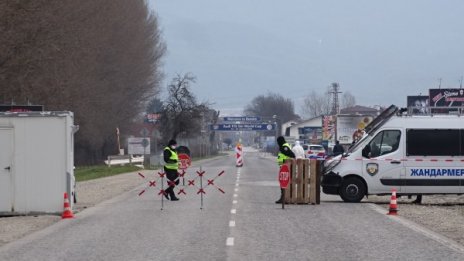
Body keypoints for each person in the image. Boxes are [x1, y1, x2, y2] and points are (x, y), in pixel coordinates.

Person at [275, 136, 295, 204]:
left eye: (278, 141)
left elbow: (292, 155)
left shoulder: (284, 147)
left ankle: (284, 198)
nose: (278, 143)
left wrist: (286, 162)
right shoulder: (283, 146)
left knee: (283, 182)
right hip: (283, 167)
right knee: (283, 182)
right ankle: (283, 197)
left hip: (285, 167)